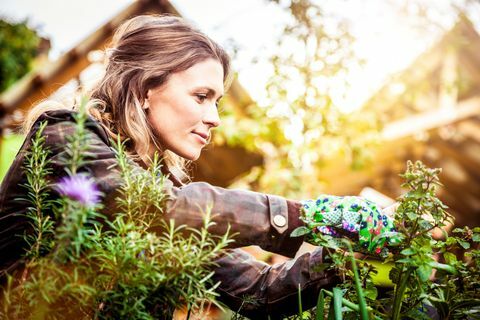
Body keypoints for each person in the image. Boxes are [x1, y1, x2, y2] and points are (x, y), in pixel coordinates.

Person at [0, 15, 397, 318]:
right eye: (201, 96)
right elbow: (158, 207)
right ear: (144, 90)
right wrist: (305, 216)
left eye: (217, 102)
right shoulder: (64, 139)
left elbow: (260, 289)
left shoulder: (161, 191)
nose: (215, 118)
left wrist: (347, 255)